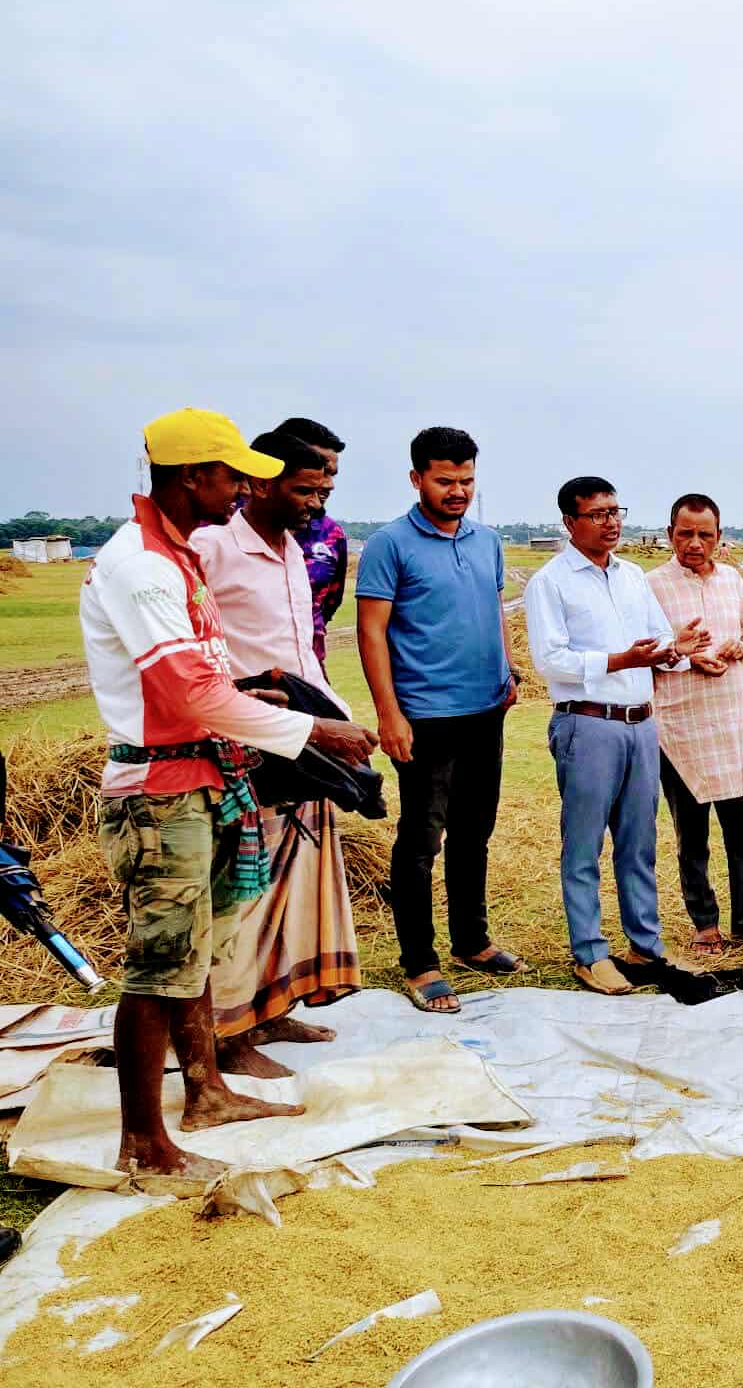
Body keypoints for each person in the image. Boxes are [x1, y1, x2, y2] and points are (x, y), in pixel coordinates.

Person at [82, 408, 377, 1180]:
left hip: (205, 776)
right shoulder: (144, 567)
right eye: (232, 473)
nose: (247, 484)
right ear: (192, 477)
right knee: (160, 969)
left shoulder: (176, 558)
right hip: (161, 788)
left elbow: (216, 683)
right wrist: (313, 733)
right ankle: (144, 1140)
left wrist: (278, 699)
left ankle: (206, 1089)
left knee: (198, 952)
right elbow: (188, 695)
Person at [191, 431, 361, 1076]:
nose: (316, 503)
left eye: (324, 491)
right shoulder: (210, 548)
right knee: (244, 890)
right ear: (258, 482)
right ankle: (226, 1033)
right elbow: (193, 648)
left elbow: (302, 648)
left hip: (303, 739)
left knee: (290, 882)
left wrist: (331, 719)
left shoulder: (296, 548)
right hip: (246, 745)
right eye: (304, 489)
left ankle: (270, 1006)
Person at [357, 426, 525, 1015]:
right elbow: (372, 631)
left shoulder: (489, 541)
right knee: (421, 840)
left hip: (485, 709)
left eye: (468, 481)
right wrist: (388, 714)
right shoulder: (389, 544)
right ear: (416, 479)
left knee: (475, 831)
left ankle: (472, 941)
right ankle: (420, 962)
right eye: (445, 480)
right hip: (425, 716)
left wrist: (508, 672)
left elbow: (495, 610)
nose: (458, 491)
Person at [525, 478, 704, 994]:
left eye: (615, 511)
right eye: (598, 514)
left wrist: (679, 647)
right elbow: (550, 660)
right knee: (583, 844)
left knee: (638, 841)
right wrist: (625, 659)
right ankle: (589, 952)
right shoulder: (551, 582)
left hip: (641, 723)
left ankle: (644, 948)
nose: (611, 522)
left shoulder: (631, 576)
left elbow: (658, 638)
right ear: (569, 523)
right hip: (588, 722)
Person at [646, 493, 743, 958]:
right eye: (685, 533)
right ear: (669, 535)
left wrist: (740, 649)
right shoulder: (650, 586)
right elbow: (641, 654)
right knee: (693, 834)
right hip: (679, 727)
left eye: (705, 534)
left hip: (732, 720)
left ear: (719, 538)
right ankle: (705, 925)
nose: (694, 543)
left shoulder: (733, 581)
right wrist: (688, 658)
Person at [273, 417, 349, 669]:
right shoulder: (223, 528)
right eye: (320, 471)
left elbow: (327, 607)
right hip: (242, 684)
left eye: (331, 474)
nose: (328, 484)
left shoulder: (331, 535)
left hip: (310, 677)